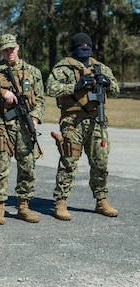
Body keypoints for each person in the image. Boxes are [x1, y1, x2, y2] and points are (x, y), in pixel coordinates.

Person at [46, 32, 119, 220]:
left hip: (97, 121)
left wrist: (107, 82)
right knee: (69, 162)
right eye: (81, 45)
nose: (85, 48)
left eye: (88, 45)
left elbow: (116, 90)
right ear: (74, 48)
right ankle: (61, 202)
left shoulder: (100, 67)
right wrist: (75, 86)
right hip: (73, 122)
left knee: (100, 162)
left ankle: (101, 200)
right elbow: (51, 88)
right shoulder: (63, 67)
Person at [0, 33, 45, 225]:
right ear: (1, 51)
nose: (10, 53)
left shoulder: (33, 72)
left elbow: (40, 99)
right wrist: (2, 93)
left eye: (12, 48)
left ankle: (23, 206)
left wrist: (35, 117)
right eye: (5, 50)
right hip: (2, 125)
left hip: (25, 126)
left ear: (18, 47)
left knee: (27, 166)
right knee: (1, 166)